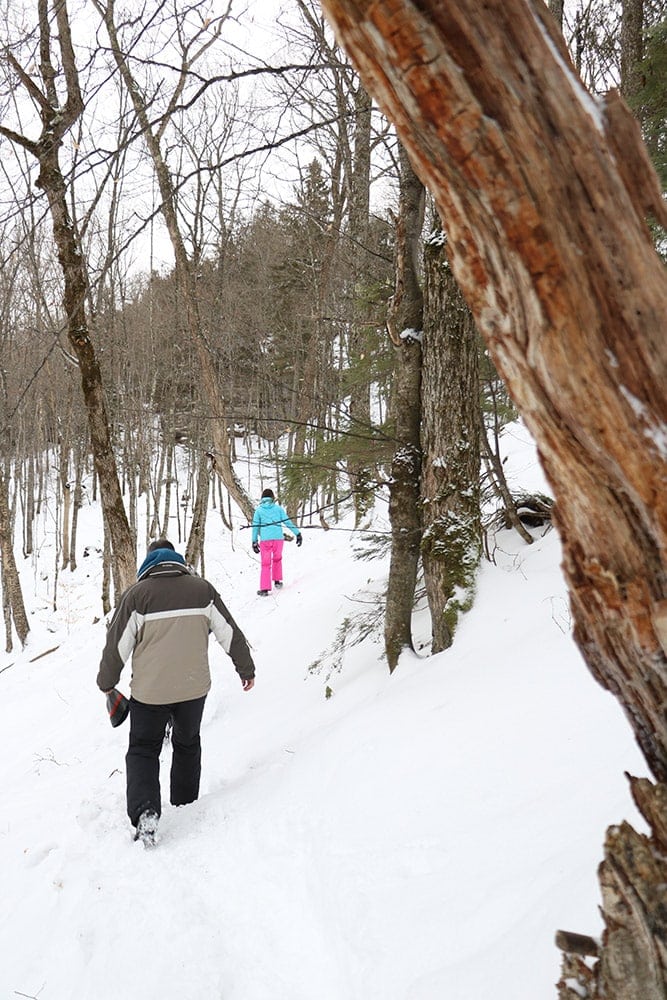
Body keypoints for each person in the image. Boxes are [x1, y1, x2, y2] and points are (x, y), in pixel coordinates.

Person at [97, 538, 255, 845]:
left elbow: (116, 646)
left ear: (148, 563)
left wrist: (106, 682)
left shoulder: (136, 596)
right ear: (177, 560)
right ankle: (185, 803)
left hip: (150, 693)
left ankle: (145, 811)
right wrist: (245, 669)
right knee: (187, 743)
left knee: (143, 749)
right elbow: (230, 632)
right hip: (194, 688)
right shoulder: (203, 590)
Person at [251, 487, 302, 596]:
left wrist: (254, 541)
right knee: (277, 559)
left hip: (265, 541)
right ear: (272, 498)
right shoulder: (278, 509)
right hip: (278, 539)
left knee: (265, 564)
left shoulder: (259, 511)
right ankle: (277, 581)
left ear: (262, 498)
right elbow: (287, 522)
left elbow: (255, 527)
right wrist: (297, 533)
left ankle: (265, 589)